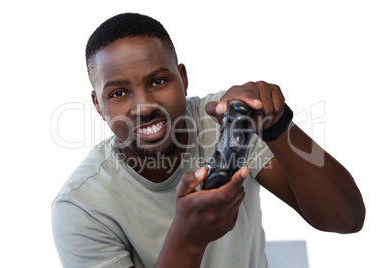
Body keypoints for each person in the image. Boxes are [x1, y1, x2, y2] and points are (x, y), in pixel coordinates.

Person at [51, 13, 365, 268]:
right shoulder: (81, 206)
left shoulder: (228, 122)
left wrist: (277, 125)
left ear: (183, 78)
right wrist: (188, 239)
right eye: (119, 93)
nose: (144, 106)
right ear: (97, 104)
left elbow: (346, 219)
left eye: (159, 81)